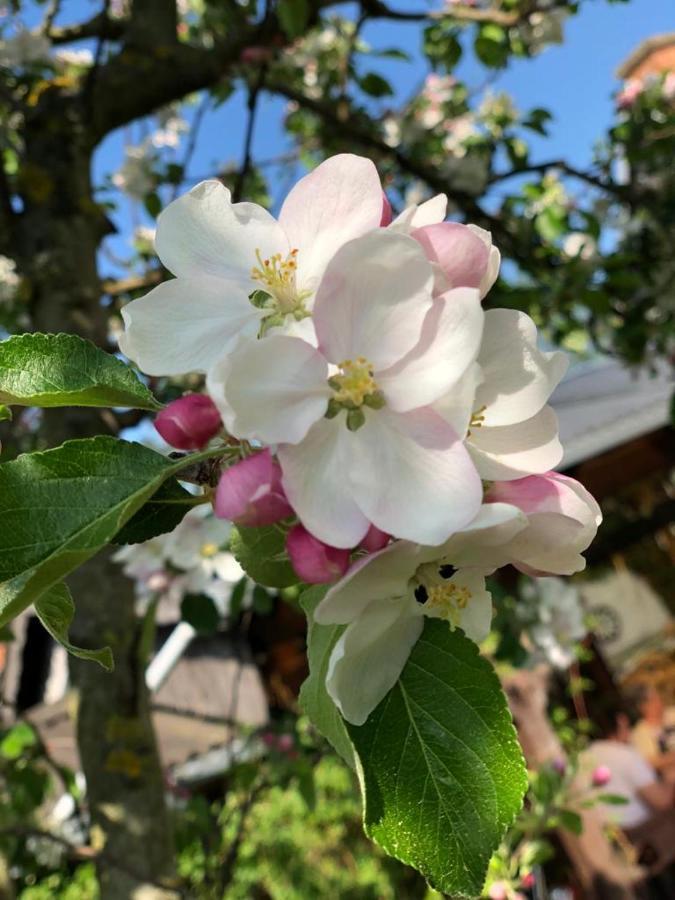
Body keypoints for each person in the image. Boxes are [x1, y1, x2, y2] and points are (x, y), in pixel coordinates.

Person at [627, 683, 675, 785]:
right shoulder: (640, 733)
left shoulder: (672, 713)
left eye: (657, 696)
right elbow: (651, 763)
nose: (659, 700)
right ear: (642, 706)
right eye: (653, 699)